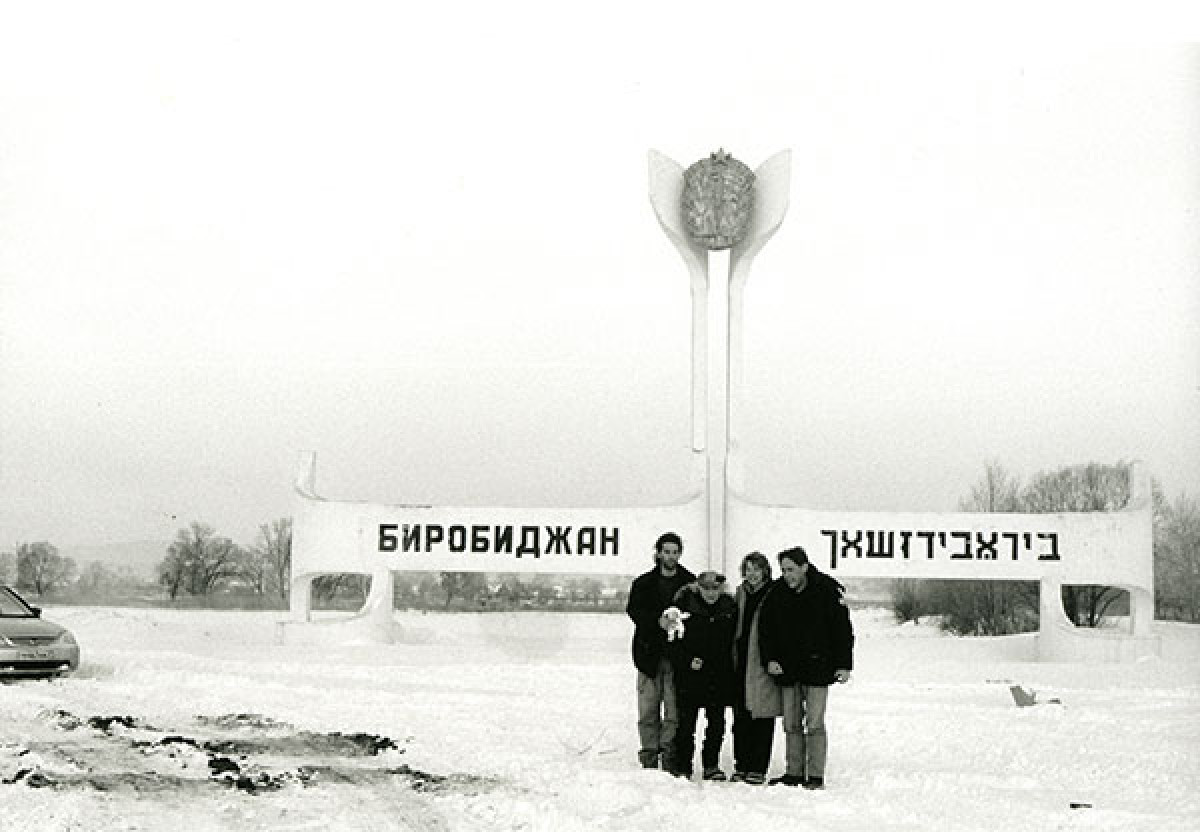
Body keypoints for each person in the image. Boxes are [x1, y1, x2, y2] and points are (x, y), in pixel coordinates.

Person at [757, 545, 854, 789]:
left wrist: (843, 665)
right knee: (791, 723)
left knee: (814, 724)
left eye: (791, 569)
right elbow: (765, 631)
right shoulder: (777, 593)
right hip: (788, 669)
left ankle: (815, 775)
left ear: (804, 567)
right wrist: (770, 659)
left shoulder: (827, 590)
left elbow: (843, 631)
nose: (787, 574)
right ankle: (794, 773)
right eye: (783, 570)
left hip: (818, 668)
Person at [626, 532, 696, 769]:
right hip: (648, 656)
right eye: (666, 552)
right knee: (648, 711)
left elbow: (696, 616)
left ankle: (669, 756)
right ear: (658, 553)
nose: (671, 556)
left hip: (677, 658)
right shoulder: (643, 583)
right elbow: (634, 611)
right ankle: (648, 755)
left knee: (674, 713)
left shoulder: (689, 583)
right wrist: (657, 621)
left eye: (675, 552)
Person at [666, 570, 737, 780]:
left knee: (716, 723)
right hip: (691, 675)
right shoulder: (684, 607)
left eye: (715, 588)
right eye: (706, 588)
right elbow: (673, 642)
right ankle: (683, 765)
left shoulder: (729, 607)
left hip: (718, 674)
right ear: (698, 587)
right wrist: (687, 660)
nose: (711, 593)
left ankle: (711, 764)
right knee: (686, 723)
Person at [730, 551, 780, 785]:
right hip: (740, 659)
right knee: (741, 715)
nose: (752, 574)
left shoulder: (772, 593)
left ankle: (758, 767)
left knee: (762, 714)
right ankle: (741, 764)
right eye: (748, 569)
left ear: (765, 571)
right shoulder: (740, 593)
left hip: (761, 660)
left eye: (757, 569)